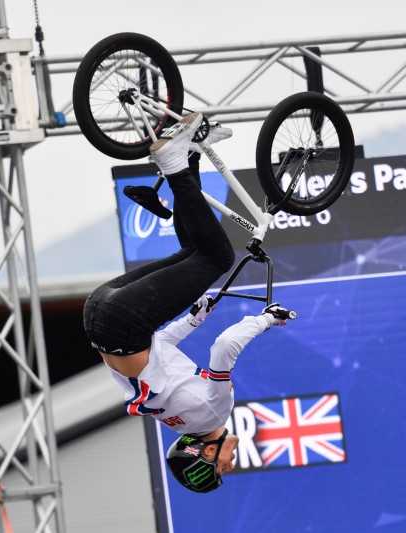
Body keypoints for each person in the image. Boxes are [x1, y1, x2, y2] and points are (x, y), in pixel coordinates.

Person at [82, 112, 290, 493]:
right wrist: (193, 319)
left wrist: (265, 320)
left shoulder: (213, 411)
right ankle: (191, 153)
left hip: (124, 323)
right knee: (195, 249)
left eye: (222, 468)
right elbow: (161, 347)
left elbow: (225, 346)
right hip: (99, 314)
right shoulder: (175, 417)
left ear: (206, 453)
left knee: (218, 259)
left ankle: (175, 161)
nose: (231, 464)